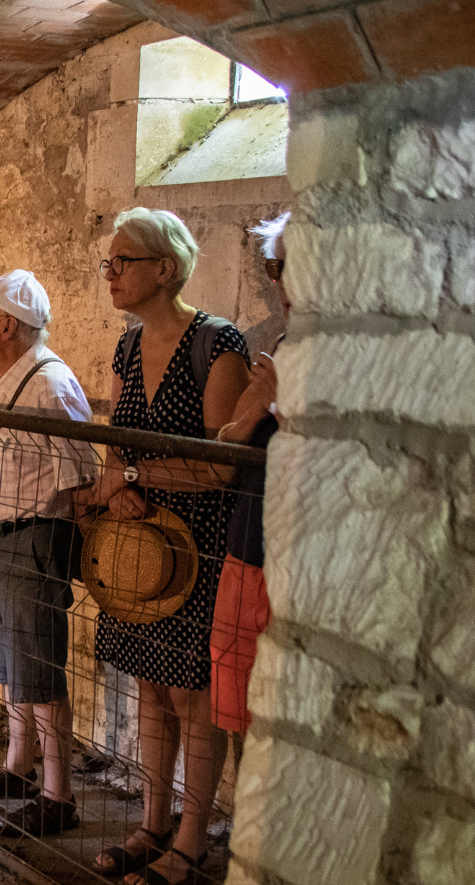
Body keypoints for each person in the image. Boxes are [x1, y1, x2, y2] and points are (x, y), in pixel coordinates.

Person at [74, 208, 250, 885]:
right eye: (108, 264)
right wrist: (119, 482)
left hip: (197, 542)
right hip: (136, 541)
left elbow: (219, 464)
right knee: (150, 685)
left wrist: (137, 477)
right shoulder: (126, 348)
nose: (110, 275)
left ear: (165, 269)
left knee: (191, 692)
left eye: (122, 262)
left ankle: (191, 837)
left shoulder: (218, 345)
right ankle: (151, 822)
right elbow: (119, 438)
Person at [0, 271, 100, 837]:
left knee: (38, 667)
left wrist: (56, 537)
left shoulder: (49, 385)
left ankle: (58, 795)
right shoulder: (10, 379)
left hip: (34, 538)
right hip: (2, 537)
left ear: (7, 324)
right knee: (13, 665)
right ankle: (19, 764)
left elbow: (81, 474)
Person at [210, 213, 289, 735]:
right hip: (247, 544)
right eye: (273, 266)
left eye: (286, 266)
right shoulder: (282, 349)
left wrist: (261, 412)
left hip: (293, 560)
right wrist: (254, 411)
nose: (278, 281)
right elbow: (230, 443)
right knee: (239, 705)